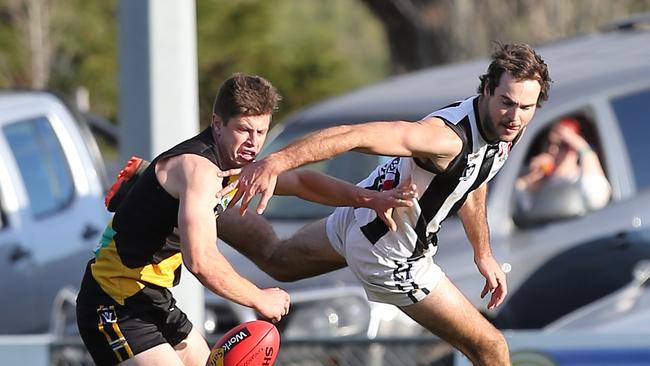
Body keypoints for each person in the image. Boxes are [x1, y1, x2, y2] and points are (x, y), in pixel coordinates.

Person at [216, 43, 552, 365]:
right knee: (492, 349)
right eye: (507, 103)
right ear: (488, 90)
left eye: (527, 107)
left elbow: (472, 181)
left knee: (279, 260)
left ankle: (206, 202)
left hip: (363, 217)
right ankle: (200, 199)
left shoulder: (502, 128)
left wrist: (483, 253)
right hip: (391, 255)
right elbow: (352, 135)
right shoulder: (443, 138)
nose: (515, 117)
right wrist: (276, 161)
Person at [75, 73, 416, 366]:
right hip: (113, 302)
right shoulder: (198, 171)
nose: (253, 143)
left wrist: (370, 199)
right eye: (243, 130)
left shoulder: (235, 164)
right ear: (217, 123)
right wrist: (258, 298)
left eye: (261, 131)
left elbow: (301, 182)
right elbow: (201, 260)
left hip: (154, 301)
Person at [515, 117, 611, 216]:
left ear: (575, 150)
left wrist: (581, 145)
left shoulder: (580, 179)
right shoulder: (539, 178)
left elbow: (596, 200)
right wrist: (529, 180)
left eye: (562, 145)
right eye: (549, 143)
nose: (553, 150)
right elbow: (519, 208)